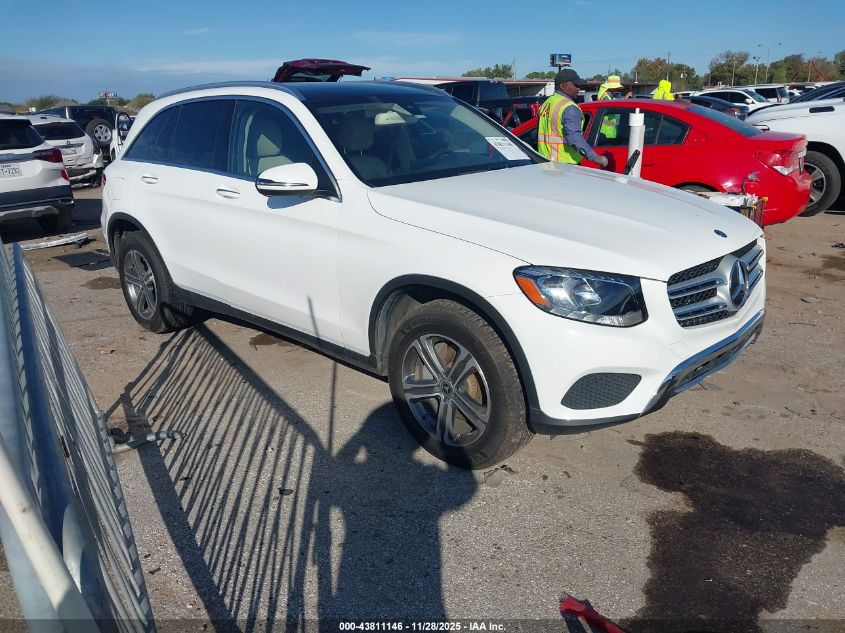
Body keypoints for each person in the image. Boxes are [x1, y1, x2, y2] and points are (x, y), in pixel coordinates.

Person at [537, 69, 608, 167]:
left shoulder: (547, 103)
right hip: (564, 166)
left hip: (545, 163)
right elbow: (574, 138)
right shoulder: (569, 107)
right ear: (563, 86)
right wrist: (597, 158)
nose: (579, 88)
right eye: (576, 85)